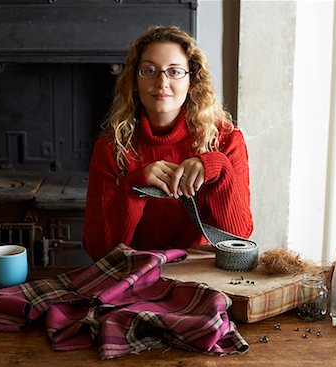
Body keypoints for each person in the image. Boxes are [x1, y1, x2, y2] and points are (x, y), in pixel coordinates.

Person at [82, 25, 253, 262]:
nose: (162, 82)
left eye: (174, 72)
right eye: (149, 70)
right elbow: (98, 251)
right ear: (134, 81)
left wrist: (219, 168)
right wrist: (133, 187)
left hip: (200, 272)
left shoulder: (226, 140)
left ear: (192, 81)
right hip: (135, 273)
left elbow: (239, 240)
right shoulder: (112, 148)